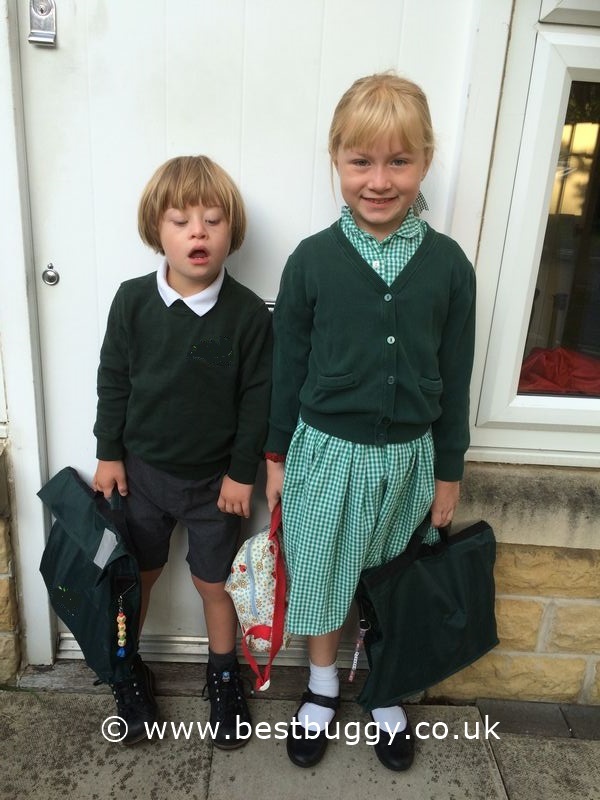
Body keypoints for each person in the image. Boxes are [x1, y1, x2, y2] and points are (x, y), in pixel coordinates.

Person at [265, 72, 476, 771]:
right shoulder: (311, 262)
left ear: (425, 162)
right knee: (324, 575)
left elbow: (456, 376)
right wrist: (274, 457)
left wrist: (448, 471)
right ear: (336, 159)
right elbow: (288, 367)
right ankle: (322, 685)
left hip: (409, 462)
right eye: (361, 161)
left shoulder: (449, 268)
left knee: (391, 582)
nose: (379, 181)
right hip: (326, 455)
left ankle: (384, 686)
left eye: (398, 162)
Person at [92, 155, 272, 747]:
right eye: (181, 221)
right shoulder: (132, 302)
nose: (198, 233)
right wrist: (109, 453)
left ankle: (222, 675)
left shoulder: (247, 314)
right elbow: (113, 379)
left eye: (213, 220)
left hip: (216, 486)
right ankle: (128, 670)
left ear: (231, 231)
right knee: (136, 579)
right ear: (157, 229)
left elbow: (256, 401)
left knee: (214, 585)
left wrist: (242, 474)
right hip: (141, 476)